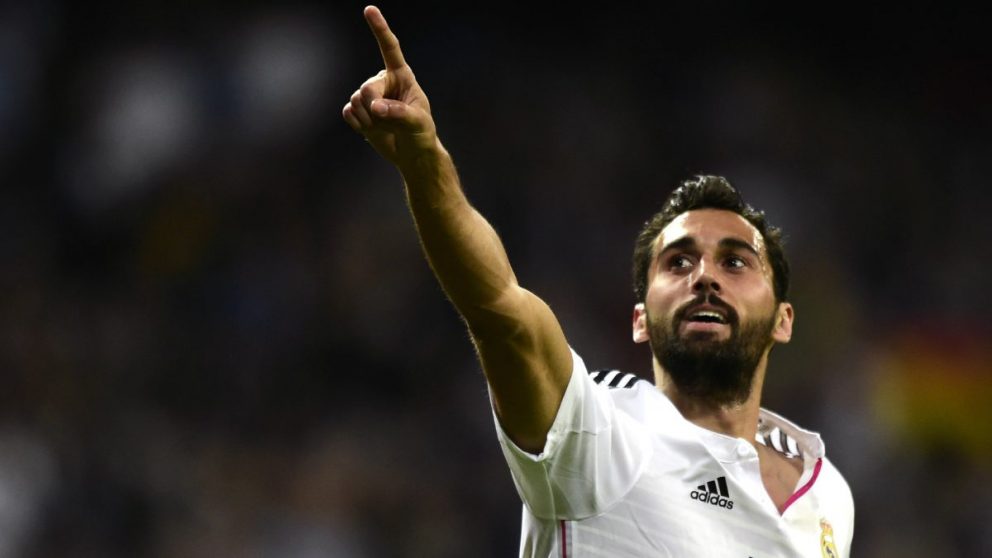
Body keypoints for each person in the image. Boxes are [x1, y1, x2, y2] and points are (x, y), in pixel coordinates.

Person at [343, 6, 854, 557]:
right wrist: (426, 162)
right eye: (678, 263)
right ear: (640, 320)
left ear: (784, 319)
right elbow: (498, 310)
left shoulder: (827, 492)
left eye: (735, 262)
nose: (705, 276)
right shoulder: (605, 435)